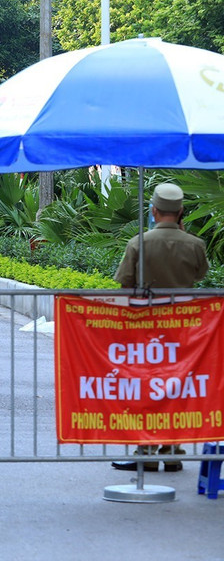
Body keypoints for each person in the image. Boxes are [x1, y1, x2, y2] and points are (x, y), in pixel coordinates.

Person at [111, 182, 208, 473]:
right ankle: (174, 451)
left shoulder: (138, 243)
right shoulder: (195, 245)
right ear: (181, 213)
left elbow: (125, 283)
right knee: (177, 386)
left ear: (153, 211)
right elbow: (199, 275)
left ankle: (147, 452)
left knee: (145, 387)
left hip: (146, 330)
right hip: (184, 331)